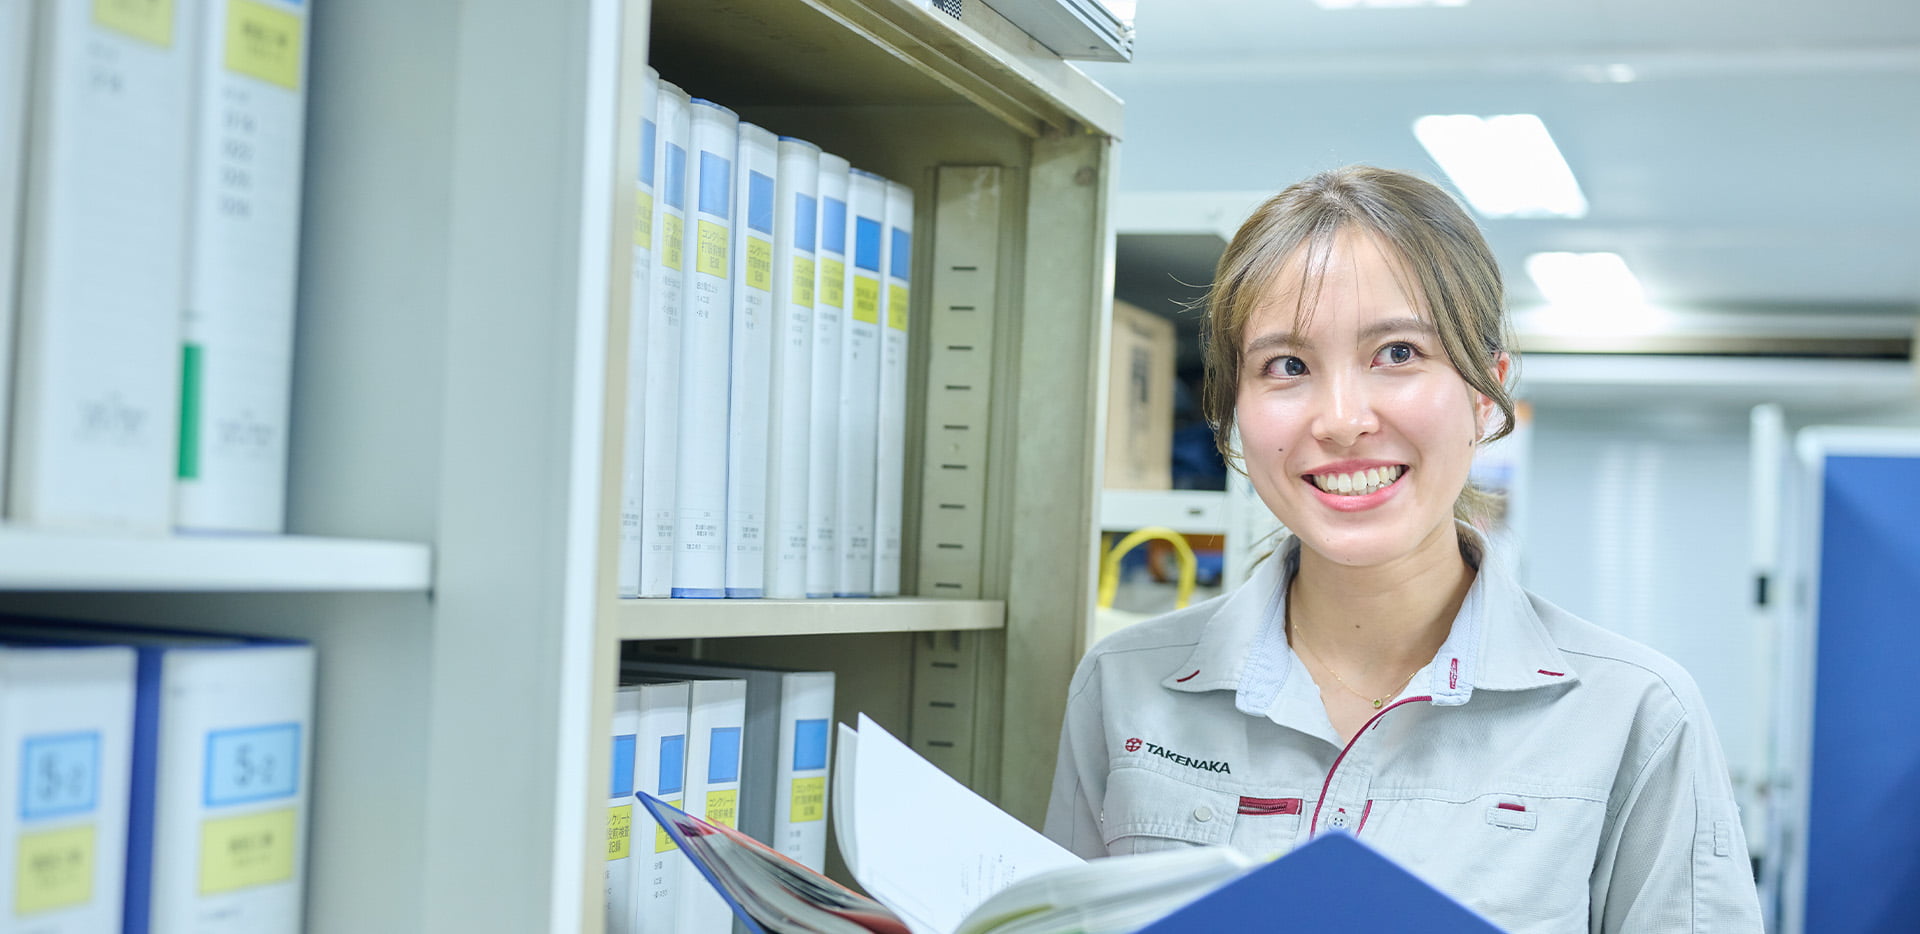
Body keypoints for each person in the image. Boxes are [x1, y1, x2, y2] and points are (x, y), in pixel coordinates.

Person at [1042, 166, 1762, 932]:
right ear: (1233, 417)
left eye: (1397, 354)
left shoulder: (1635, 716)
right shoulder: (1125, 688)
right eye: (1287, 366)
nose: (1343, 420)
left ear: (1487, 394)